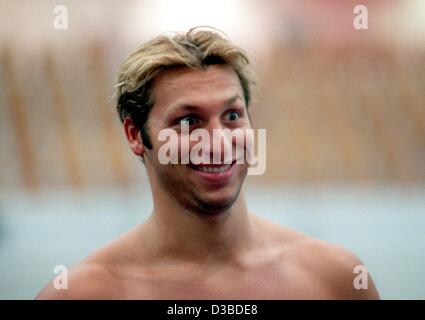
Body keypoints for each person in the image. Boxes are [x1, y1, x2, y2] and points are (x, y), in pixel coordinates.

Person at [36, 27, 379, 299]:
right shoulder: (83, 294)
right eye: (188, 121)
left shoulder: (335, 280)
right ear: (135, 135)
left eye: (232, 115)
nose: (217, 140)